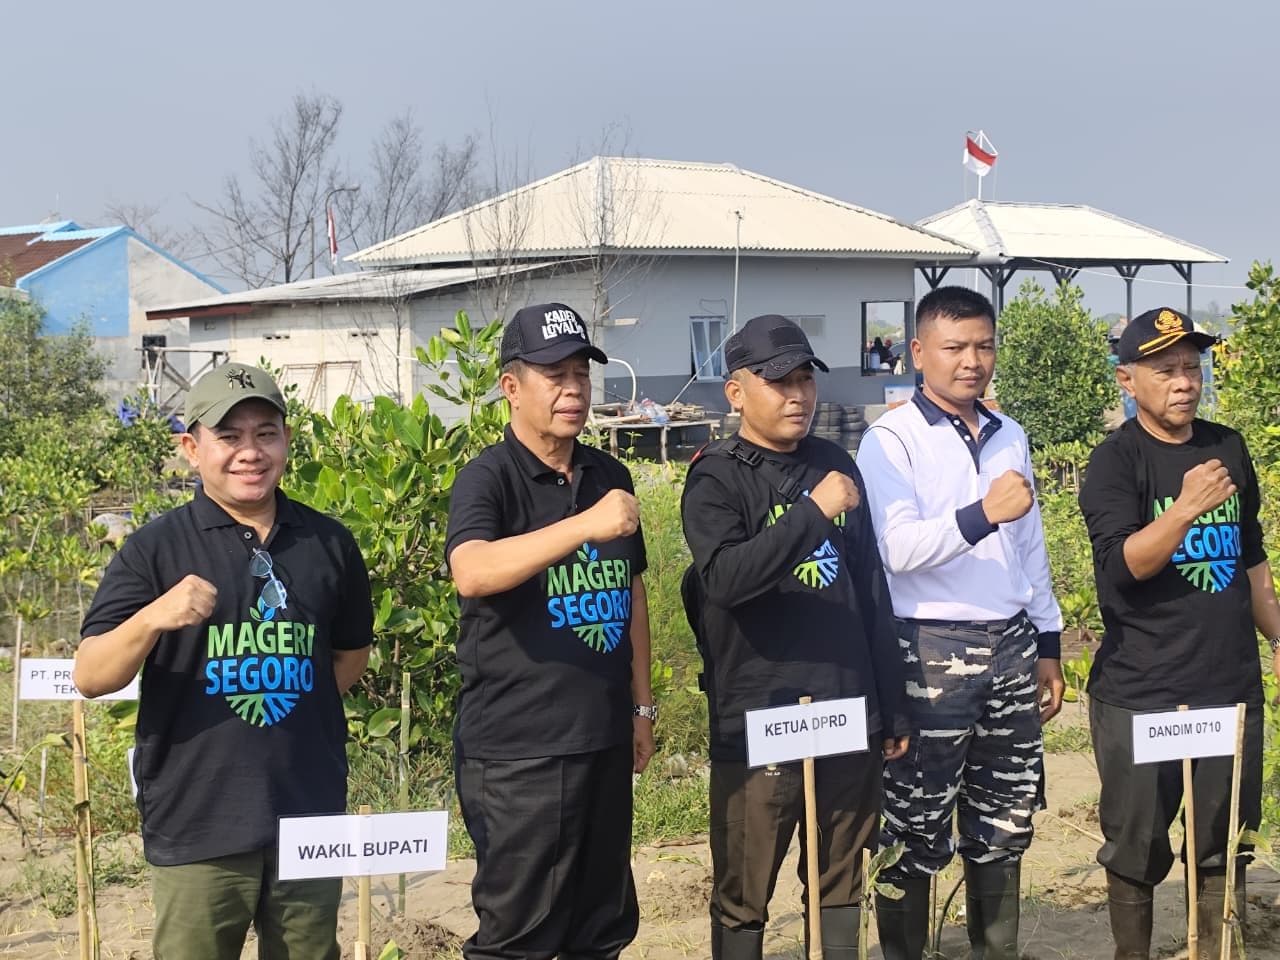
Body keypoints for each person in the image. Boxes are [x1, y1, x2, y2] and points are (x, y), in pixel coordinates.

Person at [74, 362, 374, 960]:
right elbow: (90, 674)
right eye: (229, 436)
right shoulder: (154, 549)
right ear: (192, 448)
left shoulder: (329, 543)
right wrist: (153, 617)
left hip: (307, 817)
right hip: (198, 822)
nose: (250, 453)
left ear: (286, 439)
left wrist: (284, 706)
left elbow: (349, 657)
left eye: (265, 433)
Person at [681, 313, 909, 959]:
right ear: (736, 392)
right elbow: (727, 579)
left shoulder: (834, 463)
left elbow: (870, 589)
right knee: (745, 885)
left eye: (806, 379)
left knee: (840, 878)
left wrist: (889, 704)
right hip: (762, 716)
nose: (798, 395)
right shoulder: (716, 477)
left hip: (845, 710)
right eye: (779, 381)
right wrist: (813, 512)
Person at [855, 286, 1065, 960]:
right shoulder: (891, 440)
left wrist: (1049, 641)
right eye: (955, 348)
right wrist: (982, 513)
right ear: (919, 352)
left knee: (1004, 819)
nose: (972, 361)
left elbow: (1029, 547)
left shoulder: (1011, 436)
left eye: (983, 345)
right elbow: (897, 550)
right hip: (928, 650)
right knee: (913, 826)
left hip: (1010, 643)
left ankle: (993, 950)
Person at [445, 302, 655, 960]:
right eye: (554, 376)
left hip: (601, 736)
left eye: (581, 376)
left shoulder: (607, 474)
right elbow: (472, 572)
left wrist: (641, 706)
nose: (573, 391)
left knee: (602, 926)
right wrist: (583, 527)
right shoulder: (489, 478)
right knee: (520, 934)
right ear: (512, 387)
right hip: (519, 753)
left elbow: (633, 590)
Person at [1079, 307, 1280, 960]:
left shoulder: (1227, 446)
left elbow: (1251, 559)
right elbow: (1120, 570)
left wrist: (1277, 635)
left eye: (1192, 367)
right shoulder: (1114, 462)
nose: (1184, 382)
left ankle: (1216, 949)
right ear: (1127, 380)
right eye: (1165, 370)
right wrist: (1187, 506)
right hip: (1144, 693)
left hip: (1227, 687)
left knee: (1224, 843)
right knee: (1137, 849)